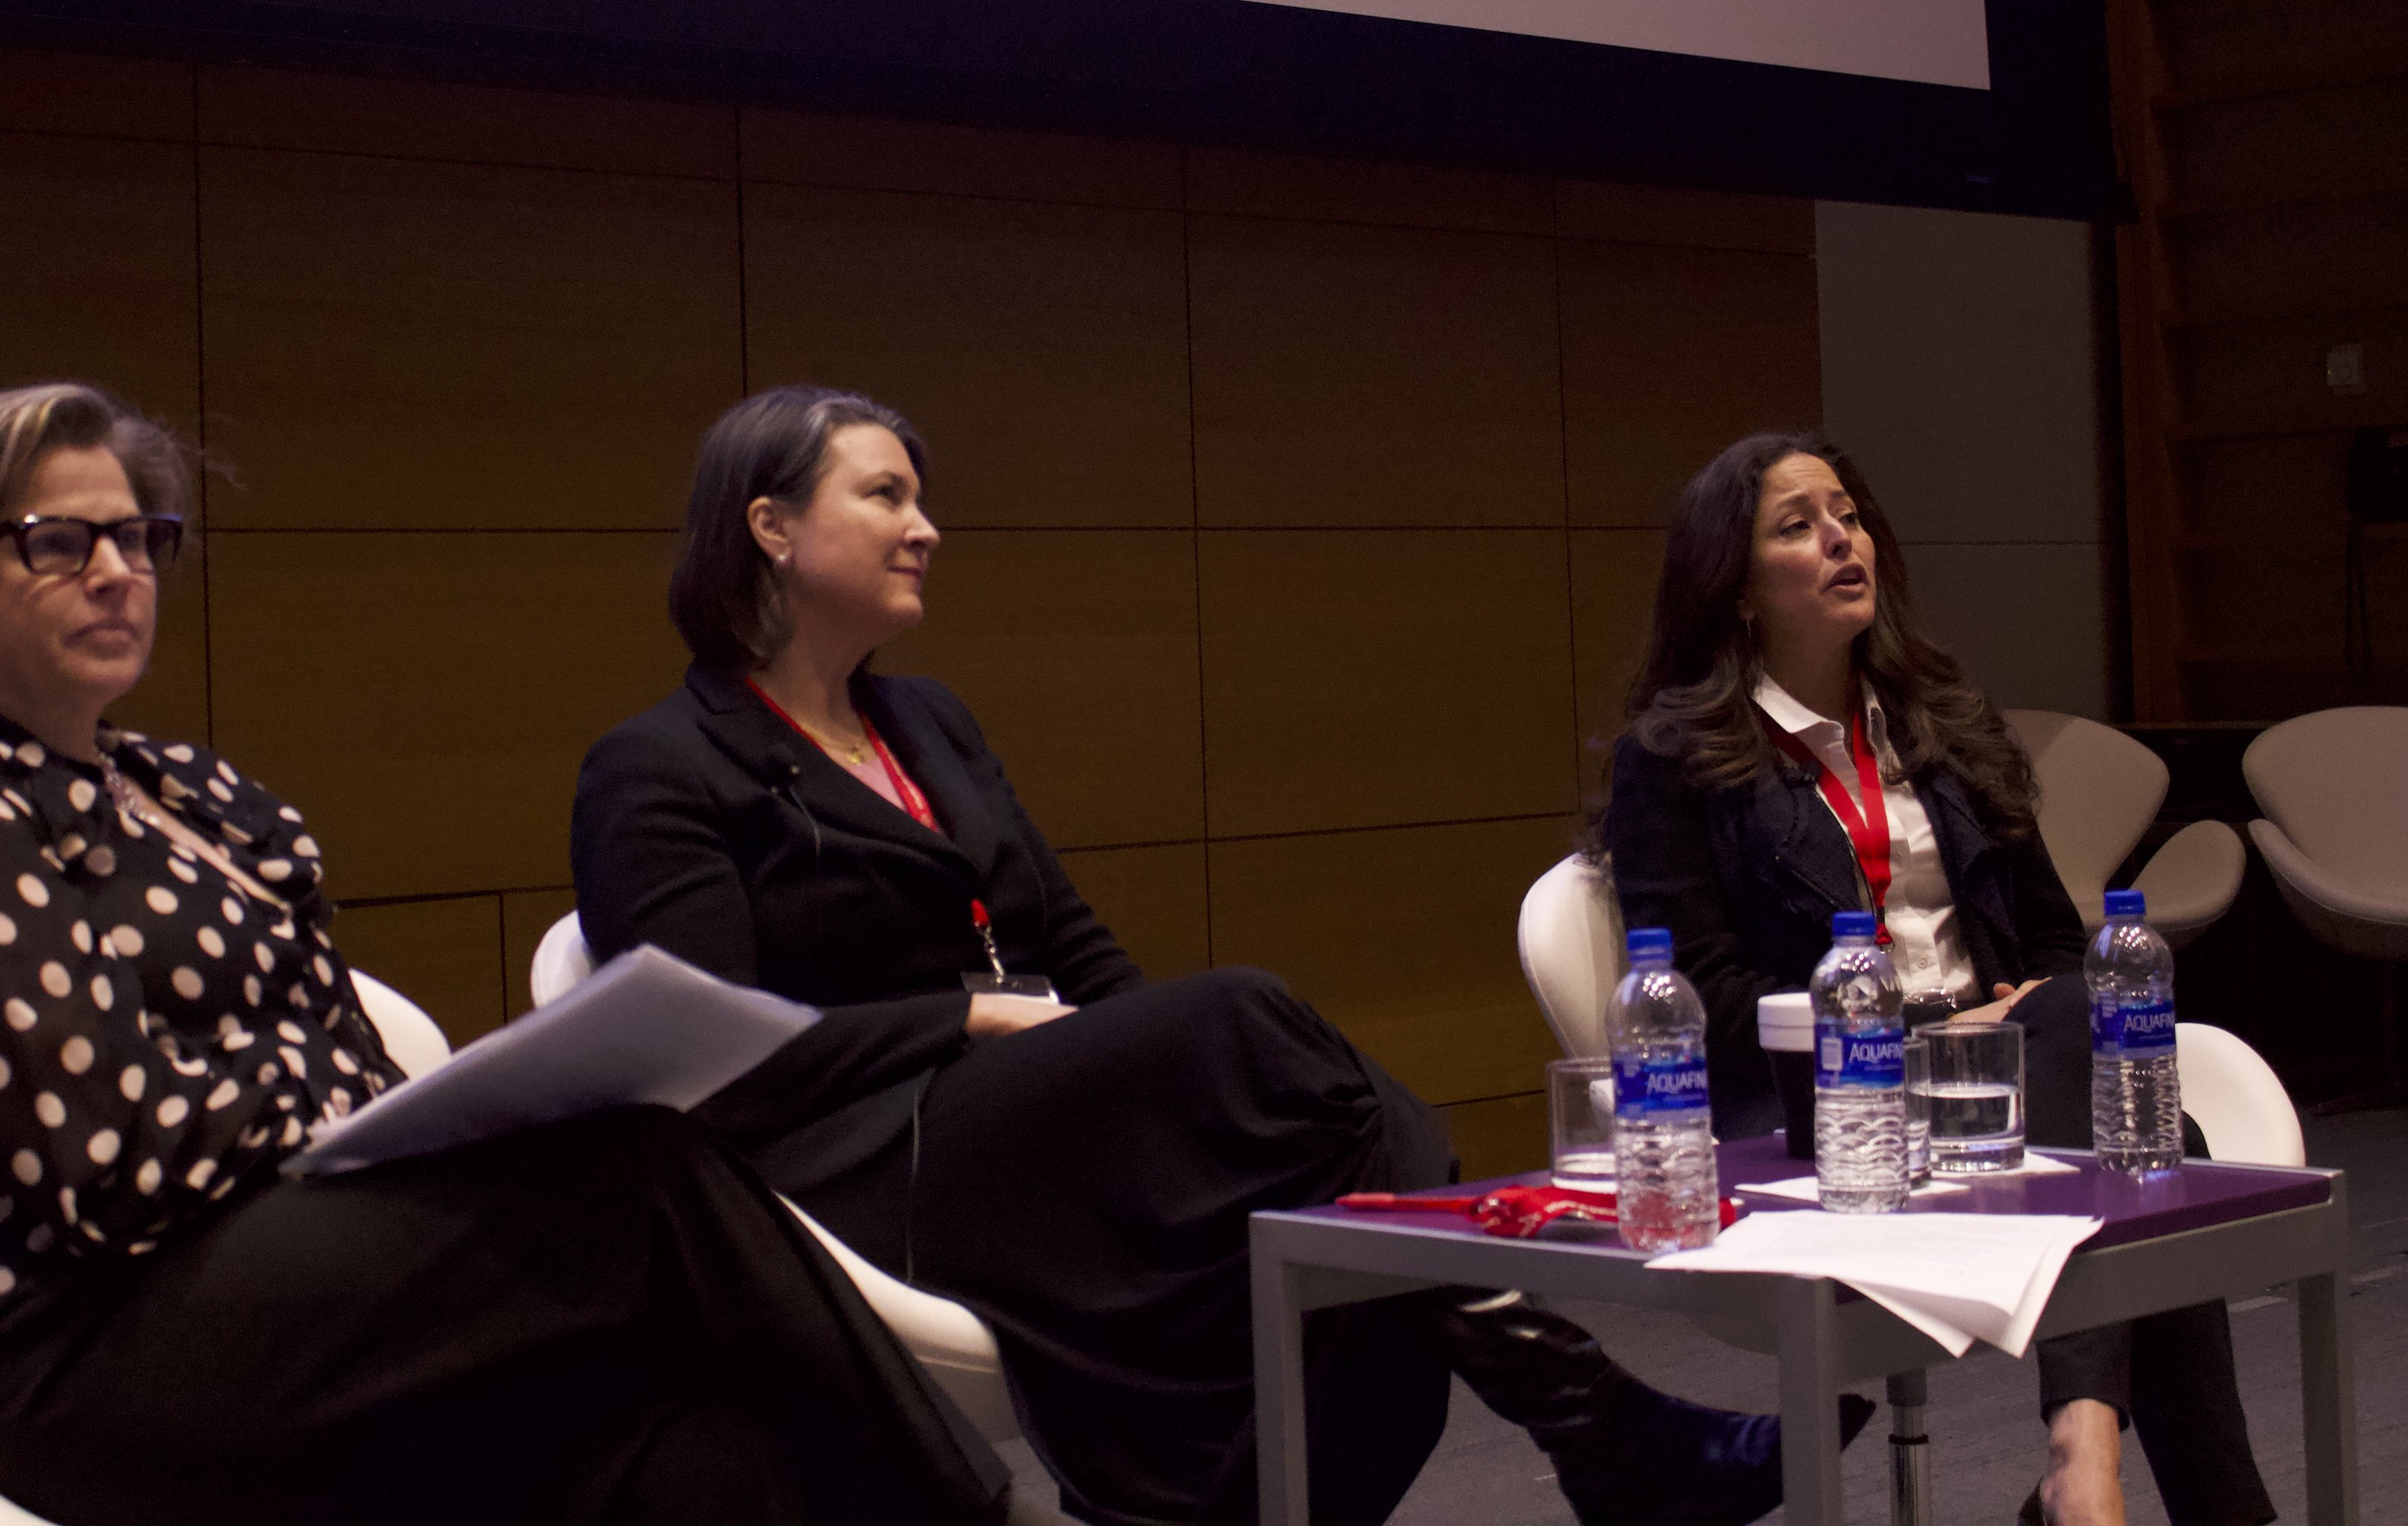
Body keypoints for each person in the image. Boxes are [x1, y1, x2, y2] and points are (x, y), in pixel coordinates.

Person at [572, 387, 1868, 1526]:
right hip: (863, 1165)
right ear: (771, 527)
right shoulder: (660, 769)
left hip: (1038, 1126)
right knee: (1262, 1031)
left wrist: (1168, 1073)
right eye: (886, 495)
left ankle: (1511, 1445)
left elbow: (1065, 935)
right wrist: (964, 1025)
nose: (927, 527)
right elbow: (706, 1064)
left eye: (922, 498)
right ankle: (1598, 1431)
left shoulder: (927, 722)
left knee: (1335, 1152)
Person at [0, 382, 1014, 1526]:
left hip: (284, 1290)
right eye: (59, 543)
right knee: (643, 1178)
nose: (117, 573)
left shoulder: (193, 794)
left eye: (140, 540)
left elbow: (357, 1075)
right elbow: (120, 1165)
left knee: (706, 1457)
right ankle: (978, 1514)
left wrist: (365, 1105)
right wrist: (317, 1101)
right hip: (60, 1349)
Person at [1595, 432, 2277, 1526]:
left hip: (2010, 1082)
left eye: (1849, 515)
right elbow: (1710, 1007)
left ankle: (2083, 1463)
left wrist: (2000, 1026)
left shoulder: (1945, 725)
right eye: (1797, 525)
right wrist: (1929, 1027)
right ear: (1735, 589)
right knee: (2163, 1151)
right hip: (1835, 1113)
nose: (1839, 538)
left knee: (2098, 1030)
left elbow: (2061, 947)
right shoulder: (1677, 759)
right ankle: (2125, 1484)